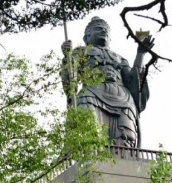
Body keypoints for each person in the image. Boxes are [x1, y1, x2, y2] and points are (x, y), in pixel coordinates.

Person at [61, 16, 153, 149]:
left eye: (106, 30)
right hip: (91, 94)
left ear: (110, 38)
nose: (103, 31)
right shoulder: (81, 52)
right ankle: (91, 161)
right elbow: (71, 78)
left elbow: (134, 82)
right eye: (98, 29)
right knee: (88, 131)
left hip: (123, 99)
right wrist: (67, 57)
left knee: (126, 138)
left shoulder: (120, 58)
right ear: (87, 37)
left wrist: (141, 53)